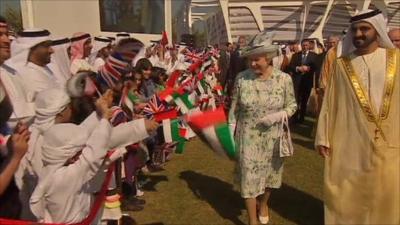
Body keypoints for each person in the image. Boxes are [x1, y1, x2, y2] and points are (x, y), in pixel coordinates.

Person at [316, 9, 399, 224]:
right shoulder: (341, 66)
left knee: (387, 194)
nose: (359, 34)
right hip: (351, 141)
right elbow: (330, 103)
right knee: (349, 193)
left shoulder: (396, 60)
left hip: (392, 140)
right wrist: (324, 136)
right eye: (355, 30)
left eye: (364, 28)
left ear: (377, 30)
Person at [229, 31, 297, 225]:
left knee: (270, 177)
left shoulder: (284, 79)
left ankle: (264, 203)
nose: (252, 64)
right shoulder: (242, 79)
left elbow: (292, 106)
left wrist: (277, 116)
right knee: (248, 178)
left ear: (268, 58)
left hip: (273, 138)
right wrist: (230, 130)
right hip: (248, 136)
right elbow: (234, 108)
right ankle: (252, 220)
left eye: (256, 60)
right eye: (250, 60)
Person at [287, 39, 319, 123]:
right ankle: (294, 117)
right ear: (301, 46)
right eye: (303, 45)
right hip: (297, 81)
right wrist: (298, 68)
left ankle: (301, 118)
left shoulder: (314, 56)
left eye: (306, 45)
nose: (305, 47)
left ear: (309, 46)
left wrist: (309, 68)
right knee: (296, 100)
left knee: (304, 100)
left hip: (307, 81)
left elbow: (316, 67)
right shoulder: (296, 55)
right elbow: (291, 66)